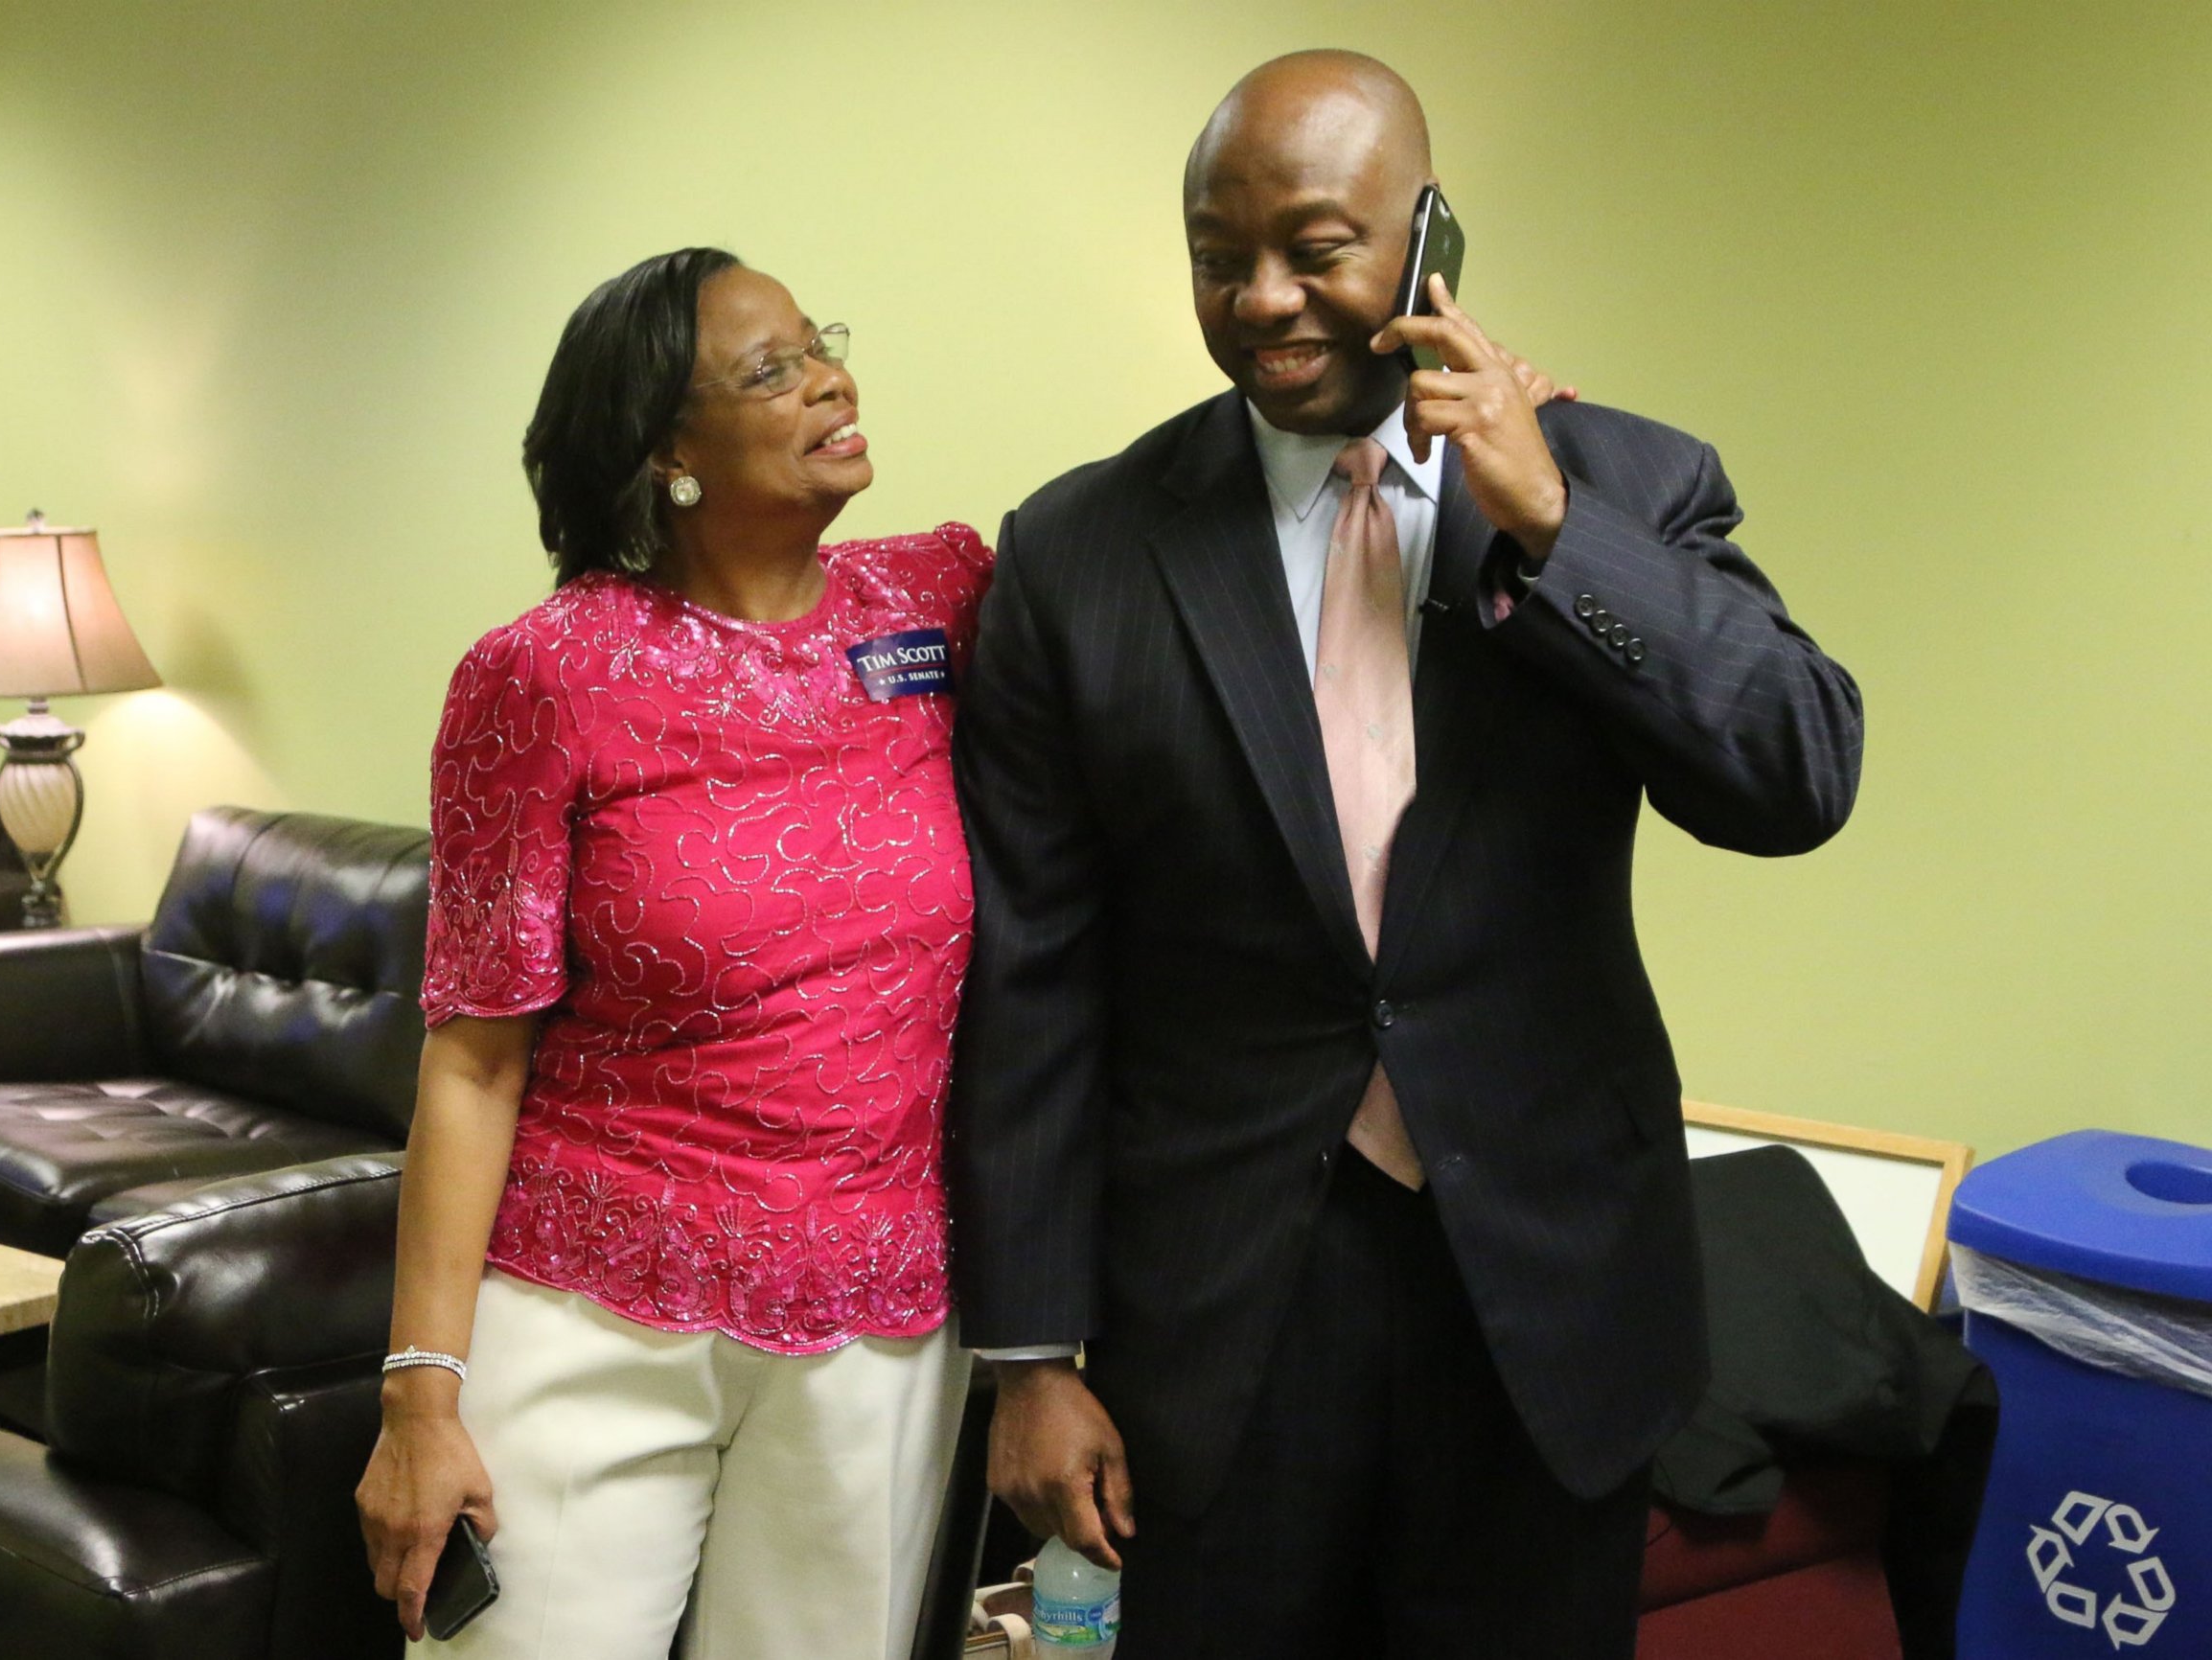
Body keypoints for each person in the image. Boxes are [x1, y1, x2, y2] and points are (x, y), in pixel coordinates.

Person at [948, 50, 1865, 1659]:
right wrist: (1031, 1357)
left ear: (1433, 239)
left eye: (1316, 247)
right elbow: (1034, 975)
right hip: (1222, 1321)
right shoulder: (1080, 554)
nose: (1263, 300)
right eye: (1217, 260)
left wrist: (1553, 524)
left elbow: (1795, 772)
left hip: (1545, 1309)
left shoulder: (1631, 483)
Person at [356, 247, 988, 1660]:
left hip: (875, 1319)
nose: (830, 375)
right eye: (770, 370)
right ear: (669, 456)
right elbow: (471, 1060)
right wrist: (420, 1400)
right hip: (593, 1318)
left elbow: (1159, 566)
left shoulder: (941, 604)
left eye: (818, 340)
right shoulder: (544, 674)